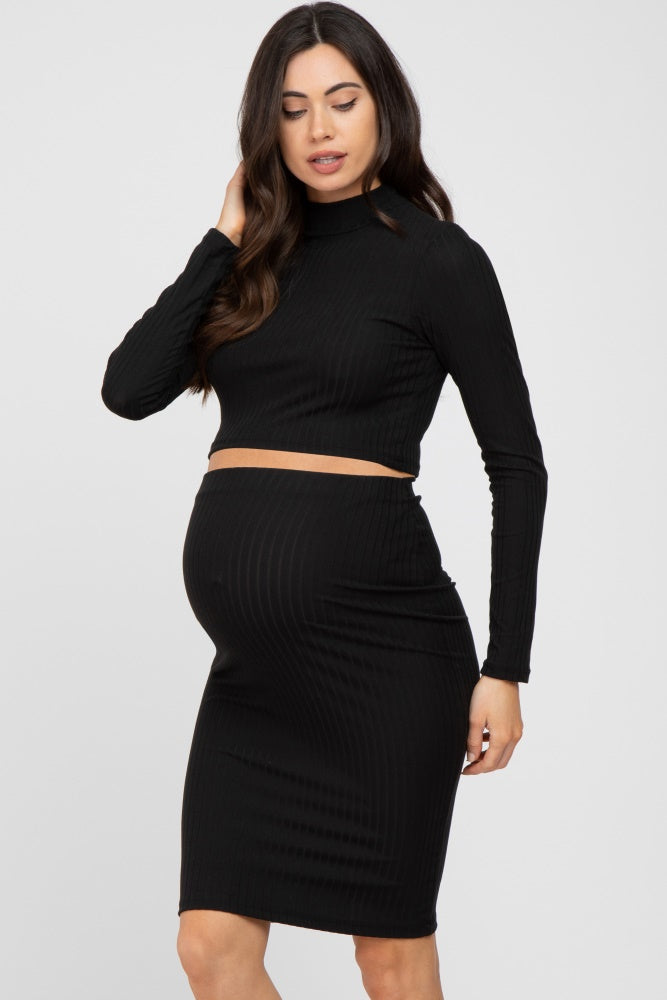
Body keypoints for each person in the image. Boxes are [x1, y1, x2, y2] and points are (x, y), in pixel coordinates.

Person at [100, 3, 548, 998]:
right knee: (210, 946)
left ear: (382, 105)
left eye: (341, 101)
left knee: (387, 954)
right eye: (293, 109)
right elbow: (128, 390)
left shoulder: (438, 259)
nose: (319, 130)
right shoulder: (254, 258)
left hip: (387, 662)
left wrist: (504, 668)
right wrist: (222, 238)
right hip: (254, 680)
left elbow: (517, 464)